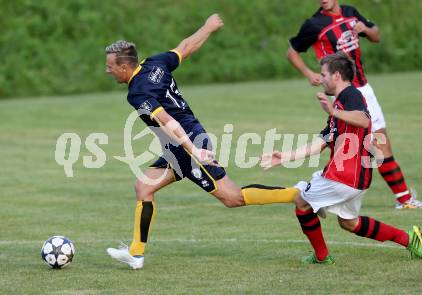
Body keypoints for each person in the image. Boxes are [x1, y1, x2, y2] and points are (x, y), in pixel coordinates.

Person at [104, 14, 300, 269]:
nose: (107, 70)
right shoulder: (154, 64)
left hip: (188, 143)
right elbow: (186, 47)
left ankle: (297, 194)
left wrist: (194, 149)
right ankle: (136, 254)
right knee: (144, 187)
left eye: (110, 66)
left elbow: (168, 122)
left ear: (123, 67)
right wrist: (207, 28)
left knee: (232, 198)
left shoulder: (138, 91)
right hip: (182, 145)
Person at [261, 53, 422, 264]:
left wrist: (334, 111)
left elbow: (363, 119)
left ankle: (322, 257)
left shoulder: (352, 95)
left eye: (323, 74)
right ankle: (409, 239)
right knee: (349, 223)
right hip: (355, 178)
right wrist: (284, 156)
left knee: (301, 201)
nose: (320, 79)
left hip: (344, 176)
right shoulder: (340, 104)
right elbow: (319, 144)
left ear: (337, 76)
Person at [287, 0, 422, 209]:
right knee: (373, 146)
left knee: (380, 144)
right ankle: (401, 199)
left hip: (365, 89)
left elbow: (376, 36)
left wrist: (366, 29)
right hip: (347, 93)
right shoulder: (315, 24)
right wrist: (309, 73)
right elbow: (291, 52)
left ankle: (403, 199)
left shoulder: (349, 12)